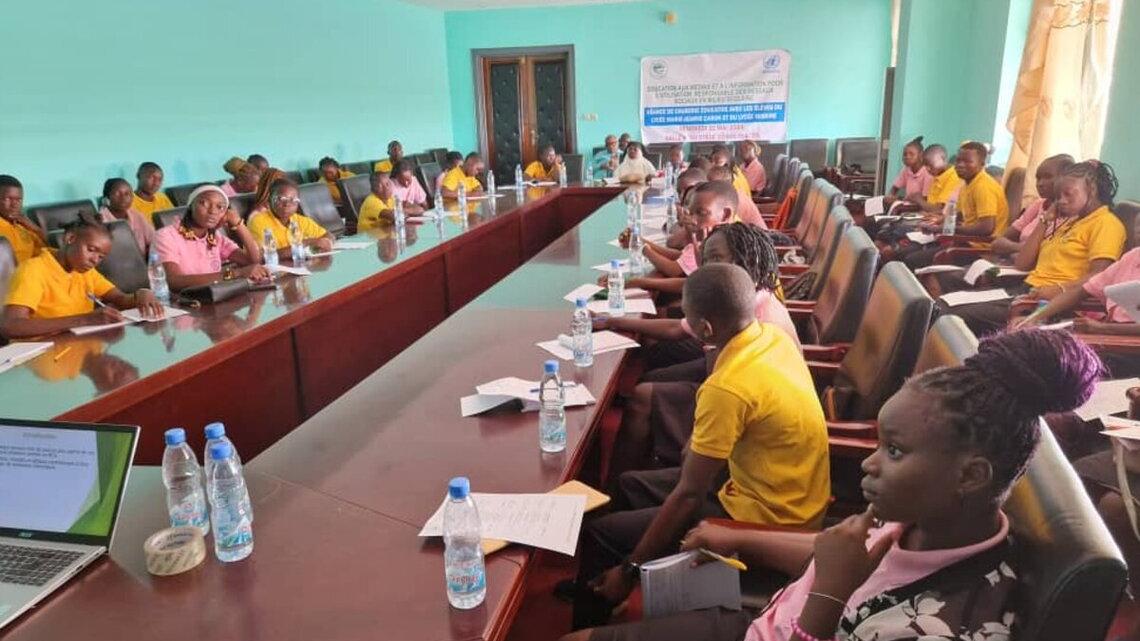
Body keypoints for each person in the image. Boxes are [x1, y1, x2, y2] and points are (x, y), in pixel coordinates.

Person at [565, 328, 1099, 641]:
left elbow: (840, 572)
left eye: (894, 451)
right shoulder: (929, 517)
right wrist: (737, 536)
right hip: (772, 616)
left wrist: (828, 594)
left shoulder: (940, 627)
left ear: (970, 475)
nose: (869, 465)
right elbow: (840, 551)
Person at [568, 262, 830, 630]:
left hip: (767, 516)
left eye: (690, 319)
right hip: (781, 490)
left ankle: (601, 607)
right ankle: (602, 589)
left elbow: (689, 494)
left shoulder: (728, 387)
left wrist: (630, 569)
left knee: (602, 534)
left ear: (705, 329)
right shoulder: (770, 337)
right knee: (628, 485)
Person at [597, 223, 800, 476]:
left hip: (748, 412)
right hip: (730, 378)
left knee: (643, 396)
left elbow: (728, 390)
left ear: (744, 259)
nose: (705, 267)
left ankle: (619, 483)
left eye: (714, 259)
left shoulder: (745, 309)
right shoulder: (744, 291)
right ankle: (648, 469)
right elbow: (678, 328)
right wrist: (614, 321)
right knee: (651, 376)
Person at [943, 160, 1125, 336]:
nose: (1061, 201)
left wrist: (1059, 289)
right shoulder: (1070, 221)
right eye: (1058, 196)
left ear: (1092, 190)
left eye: (1068, 194)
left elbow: (1098, 275)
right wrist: (1045, 220)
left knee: (954, 316)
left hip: (1054, 303)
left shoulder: (1106, 224)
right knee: (945, 306)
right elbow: (1023, 263)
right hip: (1027, 290)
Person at [1, 215, 163, 338]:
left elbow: (119, 298)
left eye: (101, 257)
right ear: (70, 238)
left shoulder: (85, 271)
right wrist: (85, 319)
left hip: (77, 345)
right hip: (42, 355)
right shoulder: (33, 270)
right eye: (91, 250)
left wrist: (140, 294)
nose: (95, 260)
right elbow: (10, 326)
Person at [608, 181, 738, 296]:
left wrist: (642, 251)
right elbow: (678, 255)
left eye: (701, 213)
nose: (692, 219)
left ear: (725, 215)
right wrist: (641, 242)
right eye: (690, 213)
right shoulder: (708, 238)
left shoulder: (724, 247)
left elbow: (679, 274)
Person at [900, 141, 1008, 271]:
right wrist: (937, 224)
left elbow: (986, 228)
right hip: (964, 241)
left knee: (912, 260)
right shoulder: (967, 184)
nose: (960, 165)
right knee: (906, 250)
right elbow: (960, 215)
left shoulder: (983, 187)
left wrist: (947, 229)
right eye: (958, 161)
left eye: (968, 162)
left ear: (982, 164)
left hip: (981, 249)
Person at [153, 184, 268, 291]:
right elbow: (173, 281)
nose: (213, 211)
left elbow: (253, 261)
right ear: (190, 205)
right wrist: (236, 273)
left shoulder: (215, 237)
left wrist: (238, 224)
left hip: (214, 296)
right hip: (184, 301)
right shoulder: (166, 236)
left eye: (220, 207)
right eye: (204, 203)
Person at [989, 154, 1074, 260]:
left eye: (1048, 177)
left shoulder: (1071, 213)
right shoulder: (1038, 205)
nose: (1040, 183)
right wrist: (1021, 250)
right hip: (1016, 263)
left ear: (1067, 179)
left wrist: (1013, 248)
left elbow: (1048, 252)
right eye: (1038, 178)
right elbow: (998, 242)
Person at [248, 179, 334, 259]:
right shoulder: (258, 221)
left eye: (293, 200)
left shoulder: (299, 220)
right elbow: (263, 256)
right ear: (269, 199)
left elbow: (328, 235)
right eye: (281, 199)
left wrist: (321, 244)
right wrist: (306, 243)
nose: (287, 204)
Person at [98, 178, 154, 254]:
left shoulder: (136, 215)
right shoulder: (101, 219)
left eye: (127, 194)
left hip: (143, 259)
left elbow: (153, 238)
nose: (123, 198)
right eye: (118, 194)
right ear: (107, 197)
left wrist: (153, 258)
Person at [0, 175, 46, 264]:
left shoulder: (23, 225)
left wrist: (33, 227)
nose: (14, 205)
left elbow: (48, 248)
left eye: (19, 200)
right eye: (7, 199)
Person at [884, 136, 932, 207]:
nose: (907, 157)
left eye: (911, 154)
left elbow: (925, 199)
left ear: (921, 155)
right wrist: (890, 196)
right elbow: (895, 187)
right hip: (907, 205)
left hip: (920, 207)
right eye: (905, 154)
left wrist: (900, 199)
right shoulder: (906, 169)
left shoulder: (927, 173)